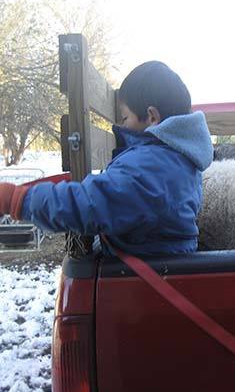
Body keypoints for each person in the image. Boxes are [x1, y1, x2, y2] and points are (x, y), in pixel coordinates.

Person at [0, 61, 213, 255]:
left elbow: (90, 204)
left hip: (138, 285)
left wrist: (17, 200)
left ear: (152, 116)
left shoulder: (153, 166)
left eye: (125, 117)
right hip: (152, 263)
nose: (122, 125)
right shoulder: (172, 161)